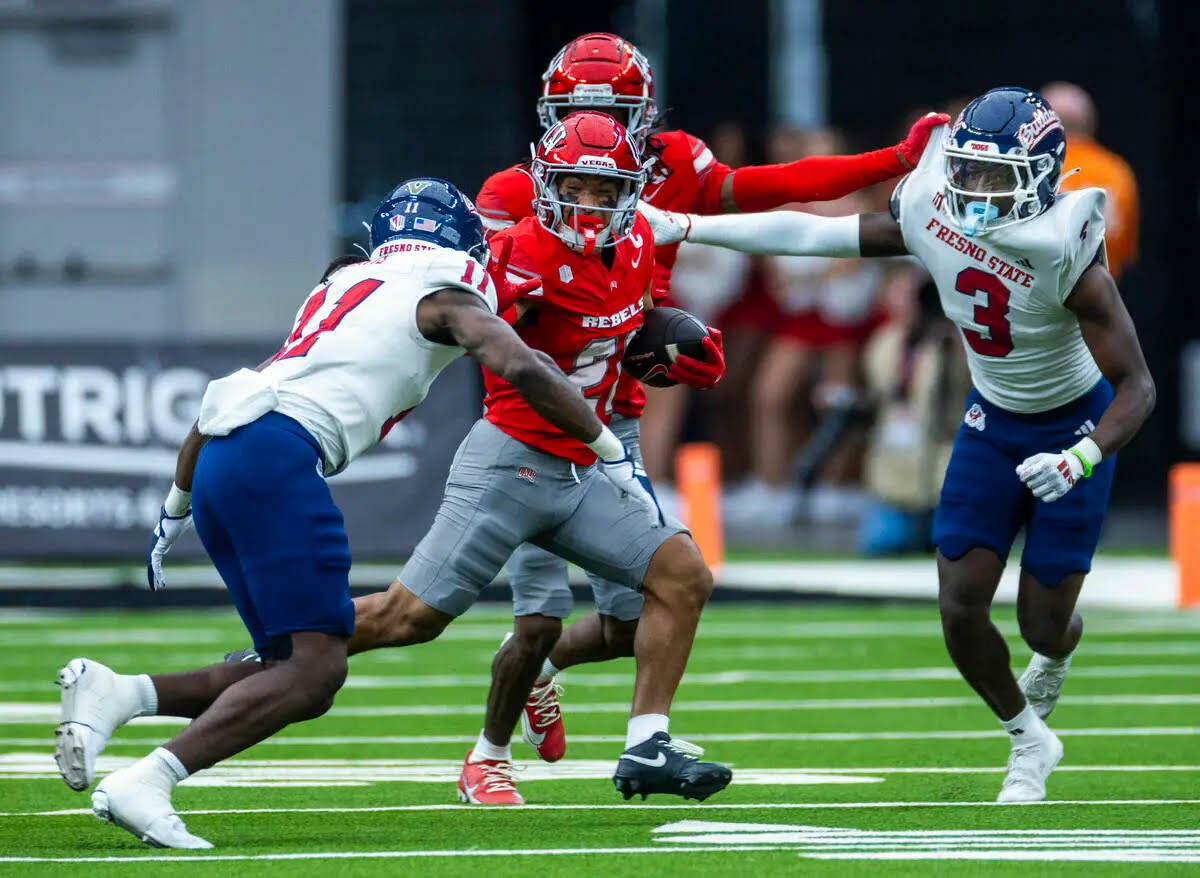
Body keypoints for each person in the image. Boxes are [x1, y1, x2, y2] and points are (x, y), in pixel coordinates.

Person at [54, 177, 659, 848]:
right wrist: (608, 450)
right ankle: (151, 780)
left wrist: (177, 504)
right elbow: (526, 368)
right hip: (276, 456)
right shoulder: (444, 297)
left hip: (227, 449)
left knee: (287, 660)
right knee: (316, 671)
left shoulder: (342, 287)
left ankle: (123, 693)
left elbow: (234, 394)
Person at [640, 87, 1155, 803]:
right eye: (965, 170)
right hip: (992, 420)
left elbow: (1137, 387)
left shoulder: (1066, 252)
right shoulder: (932, 211)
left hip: (1072, 423)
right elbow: (816, 236)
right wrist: (690, 227)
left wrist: (1081, 456)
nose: (972, 191)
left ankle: (1059, 652)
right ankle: (1027, 740)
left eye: (992, 176)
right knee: (959, 602)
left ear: (1040, 176)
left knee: (1043, 621)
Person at [472, 31, 949, 773]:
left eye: (610, 112)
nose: (590, 135)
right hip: (536, 421)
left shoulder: (673, 164)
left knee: (641, 611)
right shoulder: (512, 194)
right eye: (573, 112)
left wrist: (892, 161)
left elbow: (777, 188)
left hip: (616, 410)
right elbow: (495, 330)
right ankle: (492, 751)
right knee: (535, 614)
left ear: (644, 116)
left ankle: (551, 681)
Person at [1040, 82, 1139, 280]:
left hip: (1039, 296)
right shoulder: (1117, 170)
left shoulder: (1038, 166)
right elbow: (1127, 253)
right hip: (1098, 299)